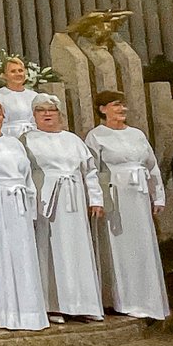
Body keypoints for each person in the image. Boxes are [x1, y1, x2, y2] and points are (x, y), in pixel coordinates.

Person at [85, 91, 169, 320]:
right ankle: (121, 299)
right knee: (119, 248)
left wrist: (157, 196)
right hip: (115, 197)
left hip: (138, 198)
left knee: (141, 245)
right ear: (102, 109)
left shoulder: (137, 134)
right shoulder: (96, 136)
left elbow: (151, 166)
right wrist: (97, 200)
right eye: (116, 105)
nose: (122, 109)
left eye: (123, 105)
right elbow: (93, 170)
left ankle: (147, 299)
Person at [22, 94, 104, 323]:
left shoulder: (73, 140)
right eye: (41, 110)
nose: (47, 114)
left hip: (74, 200)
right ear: (34, 114)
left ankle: (83, 303)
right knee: (51, 249)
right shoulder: (26, 140)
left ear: (59, 114)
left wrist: (95, 199)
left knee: (77, 248)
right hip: (47, 200)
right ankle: (54, 304)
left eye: (51, 110)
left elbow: (89, 171)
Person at [0, 98, 48, 331]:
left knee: (22, 254)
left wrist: (31, 208)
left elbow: (26, 177)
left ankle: (28, 313)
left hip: (18, 204)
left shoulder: (15, 143)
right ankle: (1, 313)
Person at [0, 57, 38, 138]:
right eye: (13, 71)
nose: (18, 74)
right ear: (5, 75)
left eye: (20, 71)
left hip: (33, 136)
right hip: (8, 137)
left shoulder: (34, 96)